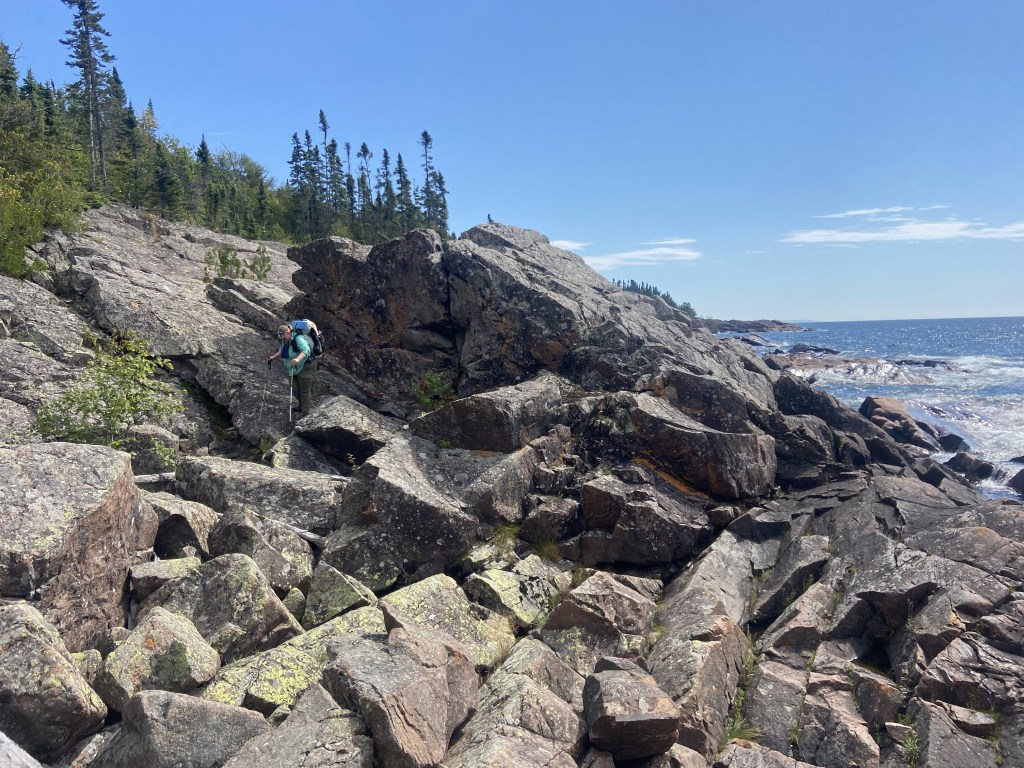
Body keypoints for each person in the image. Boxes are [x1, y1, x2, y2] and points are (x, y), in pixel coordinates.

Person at [267, 324, 316, 413]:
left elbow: (306, 351)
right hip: (293, 368)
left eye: (283, 336)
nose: (282, 339)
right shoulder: (285, 341)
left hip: (306, 366)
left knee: (304, 390)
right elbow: (282, 351)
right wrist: (273, 358)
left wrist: (297, 359)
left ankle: (305, 411)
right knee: (295, 389)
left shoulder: (298, 339)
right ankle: (301, 406)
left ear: (287, 333)